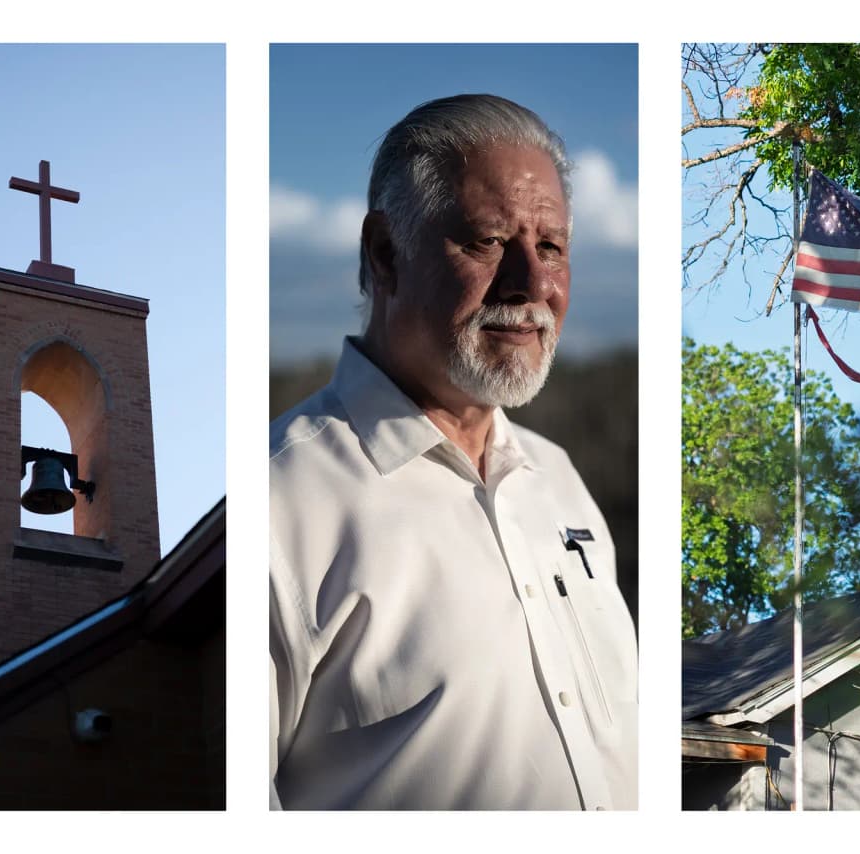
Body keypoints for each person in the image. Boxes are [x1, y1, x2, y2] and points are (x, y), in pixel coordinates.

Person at [269, 94, 637, 810]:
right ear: (385, 254)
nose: (531, 283)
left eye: (552, 246)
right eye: (487, 241)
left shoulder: (559, 480)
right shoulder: (282, 500)